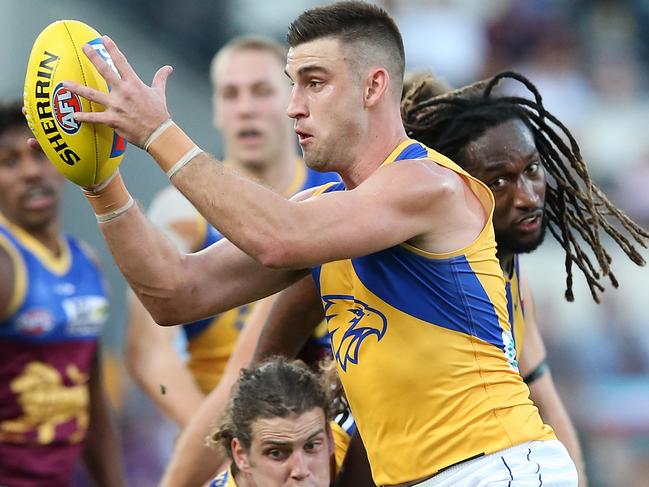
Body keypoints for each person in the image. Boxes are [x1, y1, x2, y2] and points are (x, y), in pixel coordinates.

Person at [58, 1, 585, 485]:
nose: (292, 107)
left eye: (313, 82)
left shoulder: (428, 184)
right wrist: (101, 182)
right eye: (292, 84)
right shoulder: (326, 217)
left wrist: (158, 130)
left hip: (497, 467)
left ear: (373, 87)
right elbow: (175, 293)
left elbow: (278, 238)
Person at [124, 35, 338, 429]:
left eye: (261, 92)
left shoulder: (334, 193)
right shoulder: (180, 209)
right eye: (230, 95)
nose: (245, 109)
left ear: (293, 102)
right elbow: (149, 352)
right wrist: (221, 442)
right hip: (231, 438)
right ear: (216, 111)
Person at [0, 101, 124, 486]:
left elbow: (93, 400)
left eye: (40, 154)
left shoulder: (87, 263)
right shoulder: (5, 266)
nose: (31, 172)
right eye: (9, 162)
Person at [206, 358, 335, 487]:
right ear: (242, 455)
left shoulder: (348, 450)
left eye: (311, 446)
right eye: (276, 453)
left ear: (330, 439)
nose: (300, 471)